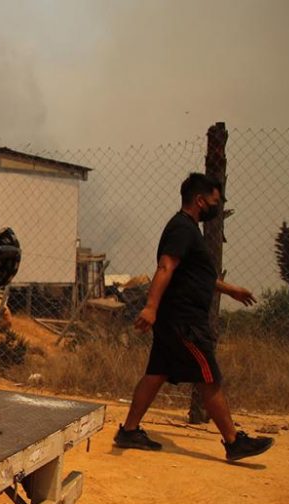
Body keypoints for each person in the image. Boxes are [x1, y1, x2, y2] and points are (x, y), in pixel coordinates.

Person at [115, 173, 275, 462]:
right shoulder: (182, 229)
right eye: (214, 201)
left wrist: (229, 289)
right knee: (208, 375)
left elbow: (195, 275)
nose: (217, 206)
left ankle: (129, 430)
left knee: (156, 373)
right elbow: (166, 266)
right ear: (200, 201)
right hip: (184, 320)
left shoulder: (188, 230)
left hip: (175, 318)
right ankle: (234, 441)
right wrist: (150, 307)